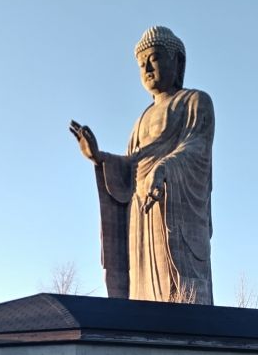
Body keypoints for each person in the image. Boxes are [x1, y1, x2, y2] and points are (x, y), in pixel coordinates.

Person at [70, 25, 214, 304]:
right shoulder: (141, 120)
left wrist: (164, 168)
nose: (147, 68)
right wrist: (99, 157)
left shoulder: (195, 101)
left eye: (155, 58)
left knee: (177, 291)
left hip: (171, 205)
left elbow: (197, 146)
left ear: (177, 62)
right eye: (141, 64)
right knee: (141, 291)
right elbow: (131, 165)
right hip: (140, 208)